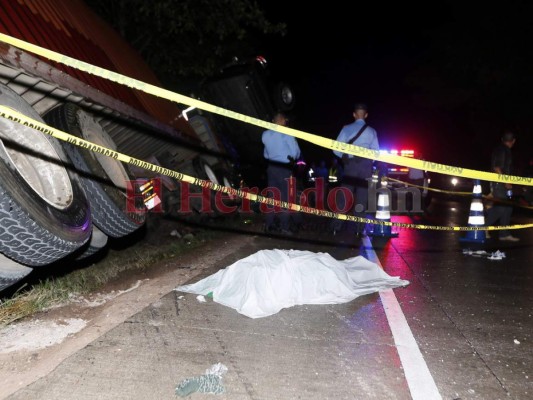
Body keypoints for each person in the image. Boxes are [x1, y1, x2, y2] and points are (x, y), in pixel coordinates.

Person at [331, 103, 379, 235]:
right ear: (366, 115)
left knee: (345, 196)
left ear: (354, 114)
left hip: (350, 165)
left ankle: (336, 226)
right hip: (365, 166)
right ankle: (359, 229)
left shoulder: (346, 128)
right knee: (362, 198)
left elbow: (335, 148)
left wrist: (344, 156)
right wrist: (368, 161)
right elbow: (376, 152)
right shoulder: (372, 131)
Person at [262, 112, 301, 234]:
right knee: (286, 198)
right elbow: (295, 153)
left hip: (272, 168)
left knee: (272, 197)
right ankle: (285, 227)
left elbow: (265, 154)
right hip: (284, 169)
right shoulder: (287, 133)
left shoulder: (265, 134)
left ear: (274, 121)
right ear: (283, 121)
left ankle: (268, 225)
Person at [485, 131, 519, 241]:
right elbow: (497, 168)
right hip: (499, 184)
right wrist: (506, 182)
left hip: (503, 184)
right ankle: (481, 228)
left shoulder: (505, 150)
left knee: (508, 208)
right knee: (501, 208)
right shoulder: (502, 150)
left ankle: (504, 234)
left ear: (502, 139)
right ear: (513, 141)